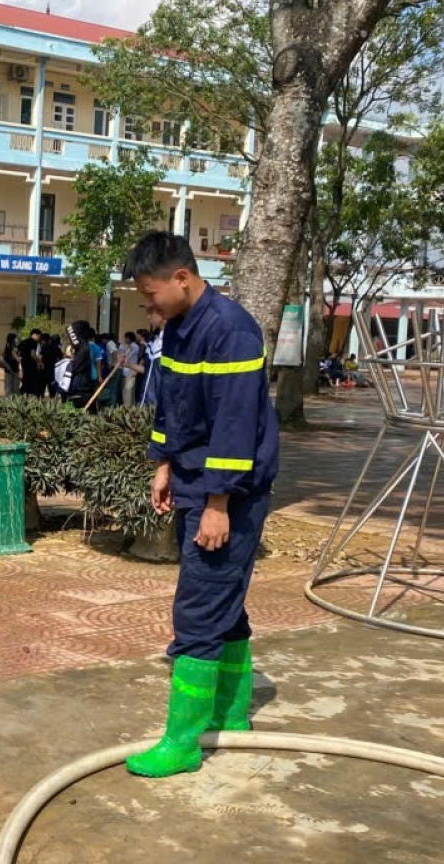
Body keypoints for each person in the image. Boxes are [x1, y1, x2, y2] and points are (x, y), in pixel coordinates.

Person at [121, 230, 279, 779]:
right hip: (193, 480)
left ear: (182, 278)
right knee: (223, 603)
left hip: (229, 494)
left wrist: (217, 504)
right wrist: (163, 464)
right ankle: (230, 713)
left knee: (199, 606)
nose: (148, 306)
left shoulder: (231, 330)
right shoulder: (180, 328)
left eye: (151, 294)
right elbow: (172, 403)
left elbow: (235, 423)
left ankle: (183, 743)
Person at [64, 320, 103, 410]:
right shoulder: (85, 347)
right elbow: (98, 363)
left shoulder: (82, 348)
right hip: (85, 382)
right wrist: (99, 376)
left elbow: (74, 365)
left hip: (81, 384)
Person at [17, 328, 47, 397]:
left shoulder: (23, 342)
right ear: (35, 334)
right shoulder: (33, 342)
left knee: (25, 381)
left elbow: (16, 351)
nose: (39, 338)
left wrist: (19, 359)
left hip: (23, 364)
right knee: (32, 382)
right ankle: (31, 397)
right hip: (31, 365)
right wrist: (39, 362)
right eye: (39, 336)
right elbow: (32, 354)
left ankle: (22, 395)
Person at [1, 332, 21, 397]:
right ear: (12, 339)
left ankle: (12, 401)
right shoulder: (11, 348)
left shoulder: (14, 347)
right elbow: (16, 359)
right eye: (16, 338)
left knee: (13, 389)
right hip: (10, 371)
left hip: (13, 371)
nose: (17, 340)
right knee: (10, 389)